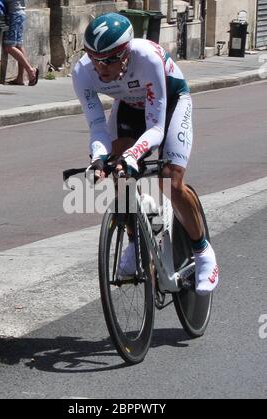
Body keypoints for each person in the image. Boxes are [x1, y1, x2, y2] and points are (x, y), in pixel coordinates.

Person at [72, 13, 219, 295]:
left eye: (110, 59)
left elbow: (155, 126)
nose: (101, 67)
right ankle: (134, 243)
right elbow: (97, 126)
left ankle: (203, 253)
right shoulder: (82, 73)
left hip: (171, 102)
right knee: (119, 171)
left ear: (126, 53)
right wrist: (99, 159)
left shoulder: (147, 58)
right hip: (128, 105)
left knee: (169, 181)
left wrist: (134, 155)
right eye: (94, 58)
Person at [2, 0, 39, 86]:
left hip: (14, 14)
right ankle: (20, 78)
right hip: (19, 13)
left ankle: (30, 70)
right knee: (18, 45)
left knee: (9, 47)